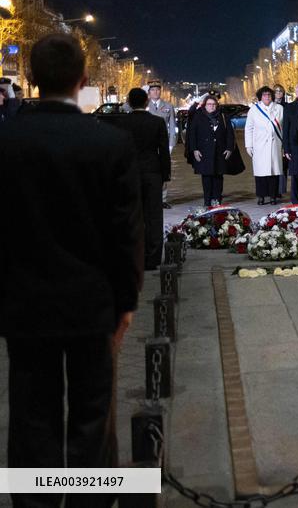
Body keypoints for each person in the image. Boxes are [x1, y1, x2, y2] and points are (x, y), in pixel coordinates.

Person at [0, 33, 142, 497]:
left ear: (32, 79)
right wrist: (126, 301)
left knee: (30, 417)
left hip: (22, 304)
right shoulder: (109, 143)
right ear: (84, 80)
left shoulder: (7, 140)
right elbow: (126, 234)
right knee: (92, 417)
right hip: (91, 303)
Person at [118, 87, 171, 270]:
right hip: (152, 172)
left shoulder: (121, 123)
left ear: (129, 103)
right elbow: (163, 152)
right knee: (154, 215)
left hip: (129, 174)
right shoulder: (157, 122)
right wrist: (166, 175)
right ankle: (153, 257)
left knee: (131, 215)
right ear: (147, 102)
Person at [187, 94, 240, 206]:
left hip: (220, 152)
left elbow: (230, 133)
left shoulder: (223, 116)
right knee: (206, 177)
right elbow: (192, 134)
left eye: (213, 104)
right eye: (209, 104)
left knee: (218, 177)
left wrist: (230, 148)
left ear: (217, 105)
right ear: (205, 105)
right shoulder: (198, 116)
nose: (211, 106)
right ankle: (207, 201)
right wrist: (194, 149)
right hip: (204, 152)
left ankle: (217, 200)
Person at [245, 85, 284, 205]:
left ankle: (273, 196)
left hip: (275, 145)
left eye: (268, 95)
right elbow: (249, 128)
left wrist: (284, 146)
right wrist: (249, 145)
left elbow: (284, 127)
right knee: (260, 173)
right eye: (264, 95)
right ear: (260, 97)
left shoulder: (279, 108)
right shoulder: (254, 109)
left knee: (274, 172)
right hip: (259, 145)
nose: (267, 97)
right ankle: (261, 196)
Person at [145, 80, 176, 209]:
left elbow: (173, 126)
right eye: (152, 90)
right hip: (147, 144)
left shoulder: (168, 106)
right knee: (148, 171)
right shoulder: (144, 105)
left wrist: (171, 144)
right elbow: (125, 107)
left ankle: (162, 199)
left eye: (157, 90)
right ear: (148, 92)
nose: (155, 92)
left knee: (163, 172)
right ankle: (148, 198)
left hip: (163, 144)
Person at [273, 84, 289, 197]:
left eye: (281, 91)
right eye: (276, 91)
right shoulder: (269, 106)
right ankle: (272, 189)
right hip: (272, 140)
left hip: (283, 138)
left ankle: (280, 190)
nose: (278, 93)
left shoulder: (287, 106)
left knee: (283, 166)